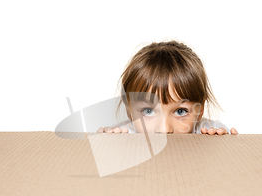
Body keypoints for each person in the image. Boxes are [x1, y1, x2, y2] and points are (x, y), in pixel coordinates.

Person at [97, 40, 238, 135]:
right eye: (148, 111)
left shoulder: (206, 130)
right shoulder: (125, 134)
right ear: (130, 111)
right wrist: (107, 143)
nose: (164, 129)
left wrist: (222, 143)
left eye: (181, 112)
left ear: (200, 110)